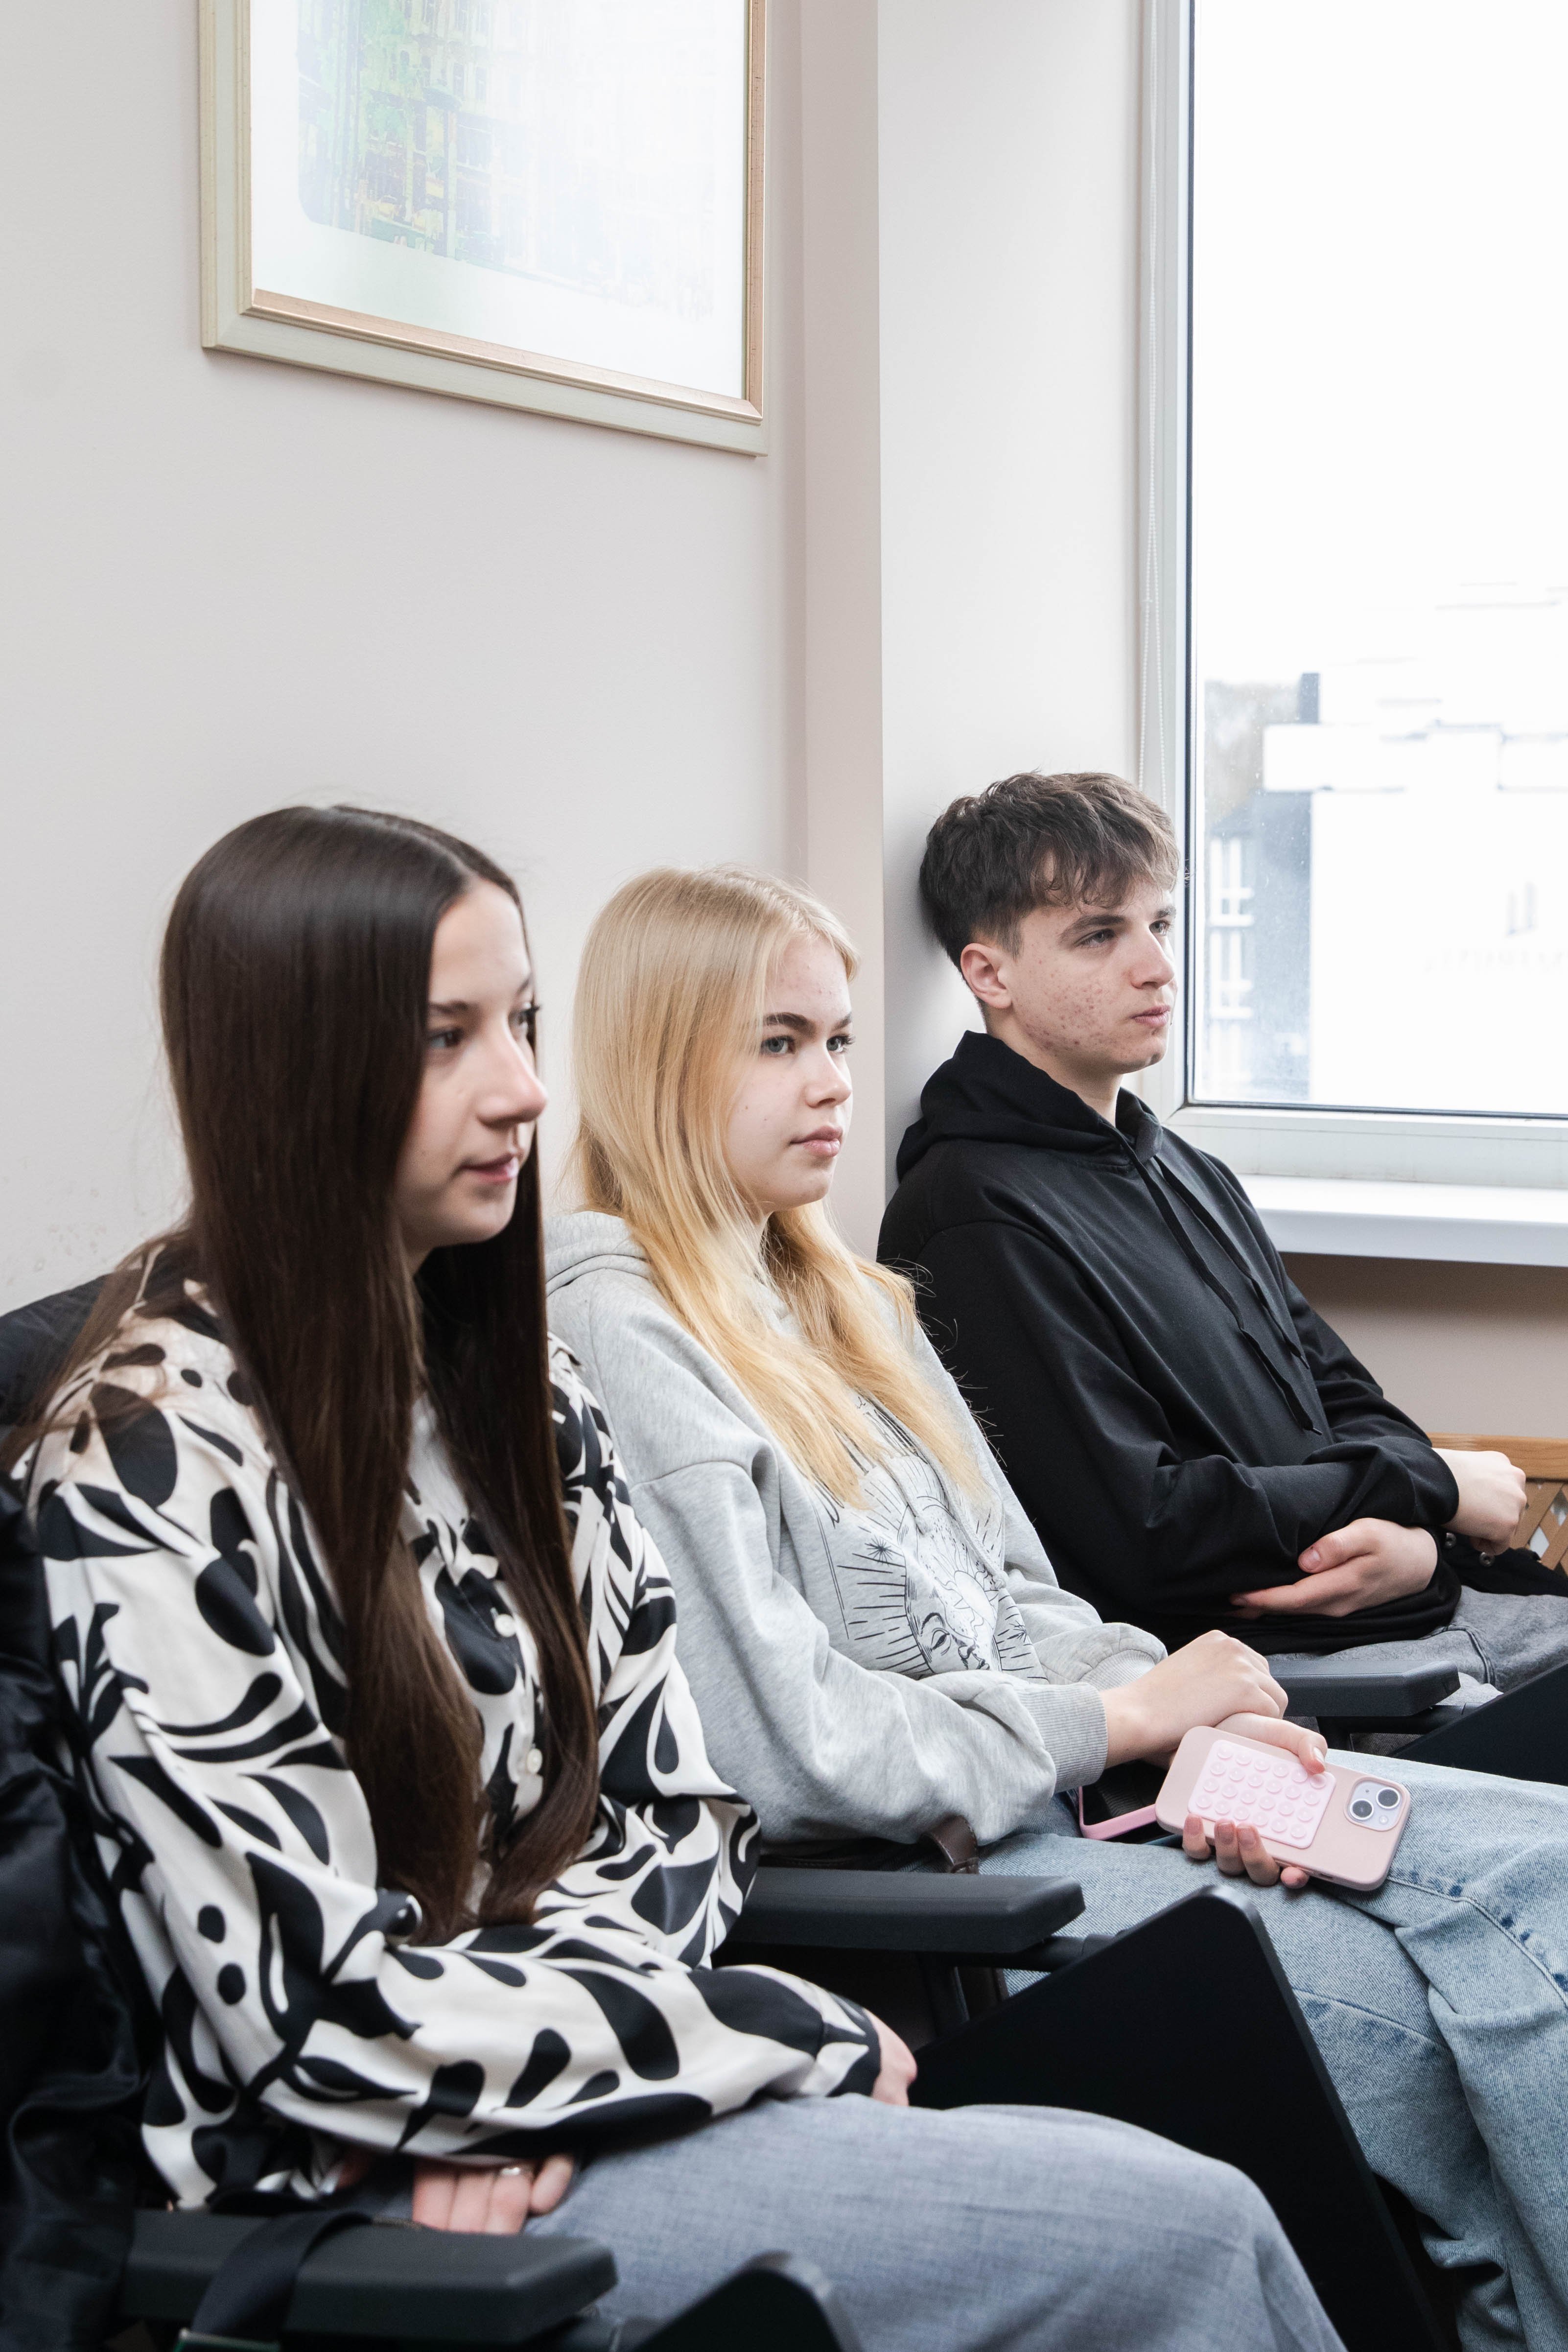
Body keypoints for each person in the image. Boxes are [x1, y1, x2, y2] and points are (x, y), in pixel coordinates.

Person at [4, 807, 1333, 2352]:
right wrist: (713, 2036)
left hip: (561, 2084)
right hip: (343, 2177)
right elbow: (303, 2007)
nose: (522, 1085)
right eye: (445, 1037)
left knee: (1195, 2192)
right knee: (1184, 2232)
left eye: (520, 1022)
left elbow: (676, 1811)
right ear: (284, 1068)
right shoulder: (145, 1454)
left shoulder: (520, 1386)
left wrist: (558, 2068)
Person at [548, 858, 1568, 2352]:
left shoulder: (850, 1300)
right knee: (1425, 2015)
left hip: (1094, 1801)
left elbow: (1026, 1592)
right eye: (777, 1042)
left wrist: (1189, 1733)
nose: (831, 1082)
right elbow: (787, 1748)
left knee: (1549, 1860)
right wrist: (1119, 1720)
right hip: (950, 1885)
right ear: (655, 1057)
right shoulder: (616, 1326)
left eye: (836, 1038)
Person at [878, 767, 1568, 1690]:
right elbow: (1146, 1532)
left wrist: (1417, 1539)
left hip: (1424, 1612)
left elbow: (1344, 1399)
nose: (1157, 967)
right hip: (1303, 1679)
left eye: (1160, 925)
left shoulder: (1185, 1168)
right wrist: (1429, 1493)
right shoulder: (971, 1214)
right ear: (988, 973)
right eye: (1099, 935)